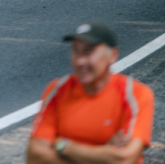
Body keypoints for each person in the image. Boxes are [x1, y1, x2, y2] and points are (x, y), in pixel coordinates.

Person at [26, 22, 155, 164]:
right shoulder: (58, 90)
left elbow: (124, 159)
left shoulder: (135, 94)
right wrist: (105, 152)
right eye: (76, 51)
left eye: (88, 53)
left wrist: (63, 146)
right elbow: (35, 155)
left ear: (112, 55)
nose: (80, 61)